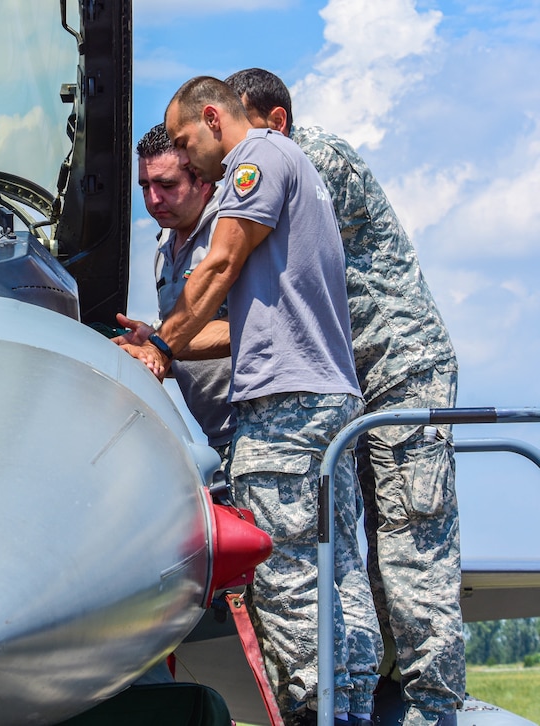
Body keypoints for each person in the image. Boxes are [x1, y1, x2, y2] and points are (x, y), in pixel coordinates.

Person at [119, 76, 382, 726]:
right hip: (325, 403)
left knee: (290, 584)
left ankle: (312, 716)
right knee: (339, 575)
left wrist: (163, 349)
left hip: (283, 410)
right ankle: (346, 711)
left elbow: (219, 266)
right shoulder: (296, 164)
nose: (192, 157)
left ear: (213, 118)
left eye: (186, 141)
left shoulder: (256, 159)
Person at [224, 68, 462, 726]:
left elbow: (243, 271)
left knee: (414, 547)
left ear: (274, 124)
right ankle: (378, 698)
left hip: (401, 372)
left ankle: (433, 712)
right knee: (353, 551)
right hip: (348, 382)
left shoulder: (312, 158)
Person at [126, 123, 234, 457]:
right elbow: (187, 353)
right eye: (145, 186)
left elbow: (252, 329)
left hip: (262, 431)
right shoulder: (165, 242)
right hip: (220, 439)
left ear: (203, 179)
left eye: (167, 185)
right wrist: (145, 353)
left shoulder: (230, 232)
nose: (153, 199)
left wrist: (160, 344)